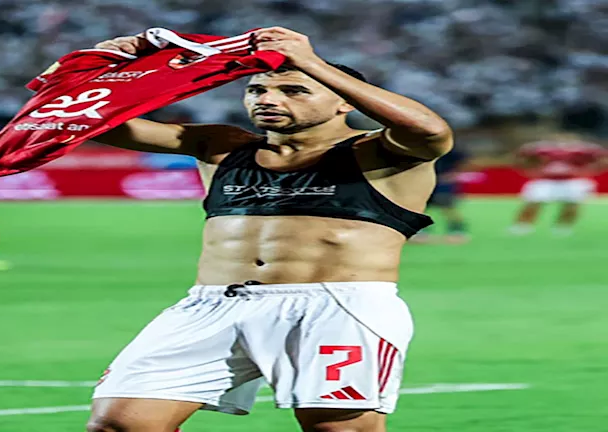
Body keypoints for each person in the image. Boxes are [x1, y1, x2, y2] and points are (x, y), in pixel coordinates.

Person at [86, 27, 452, 432]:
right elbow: (88, 121)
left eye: (294, 90)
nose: (268, 100)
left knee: (339, 430)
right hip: (212, 305)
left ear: (343, 101)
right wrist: (108, 69)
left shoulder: (382, 153)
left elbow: (431, 130)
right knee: (119, 424)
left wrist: (310, 62)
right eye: (257, 90)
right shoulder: (220, 145)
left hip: (336, 307)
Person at [509, 133, 606, 236]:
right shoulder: (540, 148)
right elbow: (519, 158)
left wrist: (588, 170)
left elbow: (603, 159)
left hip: (572, 181)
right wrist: (530, 170)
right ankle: (522, 226)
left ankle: (563, 227)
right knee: (533, 203)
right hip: (546, 180)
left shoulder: (584, 149)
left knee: (572, 204)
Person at [410, 148, 470, 244]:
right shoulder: (419, 148)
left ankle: (457, 230)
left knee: (448, 209)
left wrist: (452, 174)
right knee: (420, 208)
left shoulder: (448, 148)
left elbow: (462, 161)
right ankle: (420, 231)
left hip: (443, 184)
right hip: (424, 182)